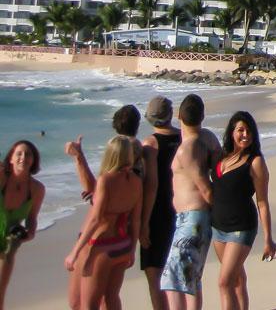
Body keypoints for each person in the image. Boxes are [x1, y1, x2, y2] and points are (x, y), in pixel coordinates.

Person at [65, 136, 143, 310]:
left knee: (82, 304)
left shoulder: (106, 180)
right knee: (110, 299)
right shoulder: (137, 182)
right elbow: (136, 220)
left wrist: (74, 252)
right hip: (122, 245)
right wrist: (131, 250)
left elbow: (96, 219)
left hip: (99, 246)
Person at [212, 112, 276, 310]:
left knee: (224, 282)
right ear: (232, 132)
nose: (245, 135)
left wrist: (268, 239)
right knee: (237, 278)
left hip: (241, 228)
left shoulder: (255, 162)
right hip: (218, 227)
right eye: (240, 130)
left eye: (249, 131)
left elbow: (263, 202)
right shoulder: (221, 156)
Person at [161, 94, 221, 310]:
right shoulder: (208, 138)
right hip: (195, 219)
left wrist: (218, 210)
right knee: (190, 278)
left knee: (173, 280)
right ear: (203, 115)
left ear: (178, 115)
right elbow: (220, 172)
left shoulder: (189, 148)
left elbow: (205, 188)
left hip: (192, 219)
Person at [141, 97, 182, 310]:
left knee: (154, 273)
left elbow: (151, 186)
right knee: (177, 271)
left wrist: (144, 222)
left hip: (157, 212)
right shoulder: (184, 137)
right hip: (182, 209)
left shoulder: (150, 144)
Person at [0, 140, 45, 310]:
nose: (23, 157)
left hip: (9, 244)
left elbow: (32, 218)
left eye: (28, 154)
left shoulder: (37, 189)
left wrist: (31, 232)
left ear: (34, 160)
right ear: (10, 158)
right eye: (19, 153)